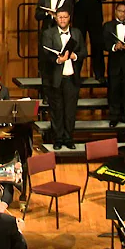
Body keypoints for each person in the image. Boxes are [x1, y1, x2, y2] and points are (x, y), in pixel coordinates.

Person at [42, 9, 87, 149]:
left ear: (69, 18)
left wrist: (74, 56)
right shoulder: (48, 33)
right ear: (56, 18)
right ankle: (58, 139)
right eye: (59, 17)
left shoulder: (77, 33)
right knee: (57, 111)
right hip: (55, 79)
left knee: (70, 111)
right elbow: (45, 54)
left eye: (64, 17)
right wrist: (57, 60)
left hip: (71, 78)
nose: (62, 19)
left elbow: (83, 52)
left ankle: (68, 138)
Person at [67, 0, 108, 82]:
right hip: (79, 16)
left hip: (95, 16)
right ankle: (76, 74)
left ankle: (99, 74)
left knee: (97, 45)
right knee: (78, 45)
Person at [35, 0, 72, 80]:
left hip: (60, 32)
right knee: (45, 58)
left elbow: (70, 15)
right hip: (46, 31)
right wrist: (47, 13)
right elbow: (37, 15)